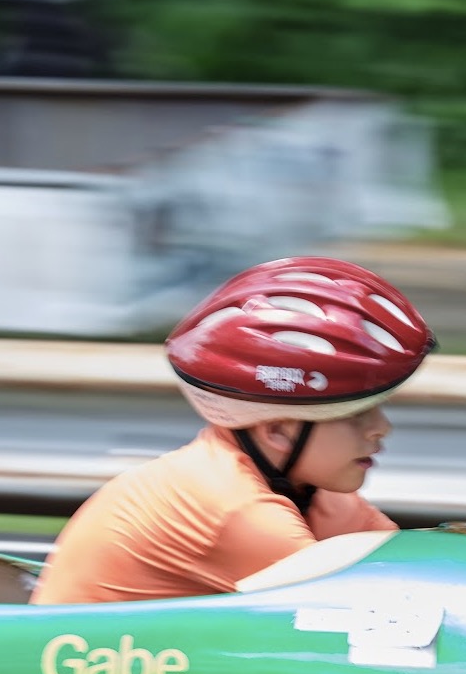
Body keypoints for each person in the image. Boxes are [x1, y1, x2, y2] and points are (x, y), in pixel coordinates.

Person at [34, 259, 434, 606]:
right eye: (356, 414)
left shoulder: (306, 489)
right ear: (278, 430)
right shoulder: (234, 508)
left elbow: (414, 571)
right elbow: (382, 604)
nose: (381, 428)